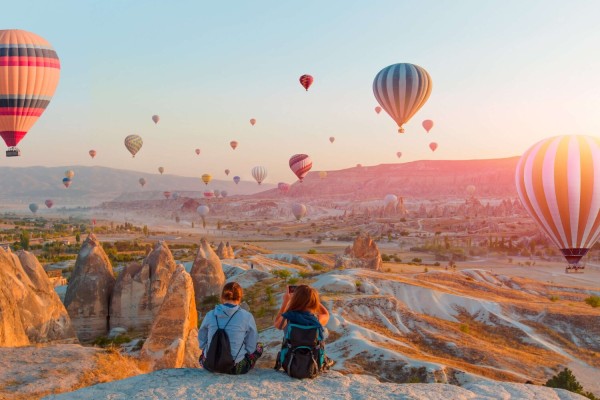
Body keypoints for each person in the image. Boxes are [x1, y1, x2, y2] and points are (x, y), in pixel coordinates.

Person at [198, 282, 263, 374]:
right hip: (235, 368)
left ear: (222, 297)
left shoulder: (210, 314)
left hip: (210, 364)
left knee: (202, 356)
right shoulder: (246, 316)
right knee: (259, 346)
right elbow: (251, 348)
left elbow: (202, 343)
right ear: (240, 298)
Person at [274, 285, 334, 377]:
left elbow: (277, 324)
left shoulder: (288, 318)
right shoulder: (316, 320)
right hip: (313, 366)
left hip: (289, 365)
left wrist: (286, 302)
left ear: (295, 300)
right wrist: (312, 298)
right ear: (314, 302)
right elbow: (325, 313)